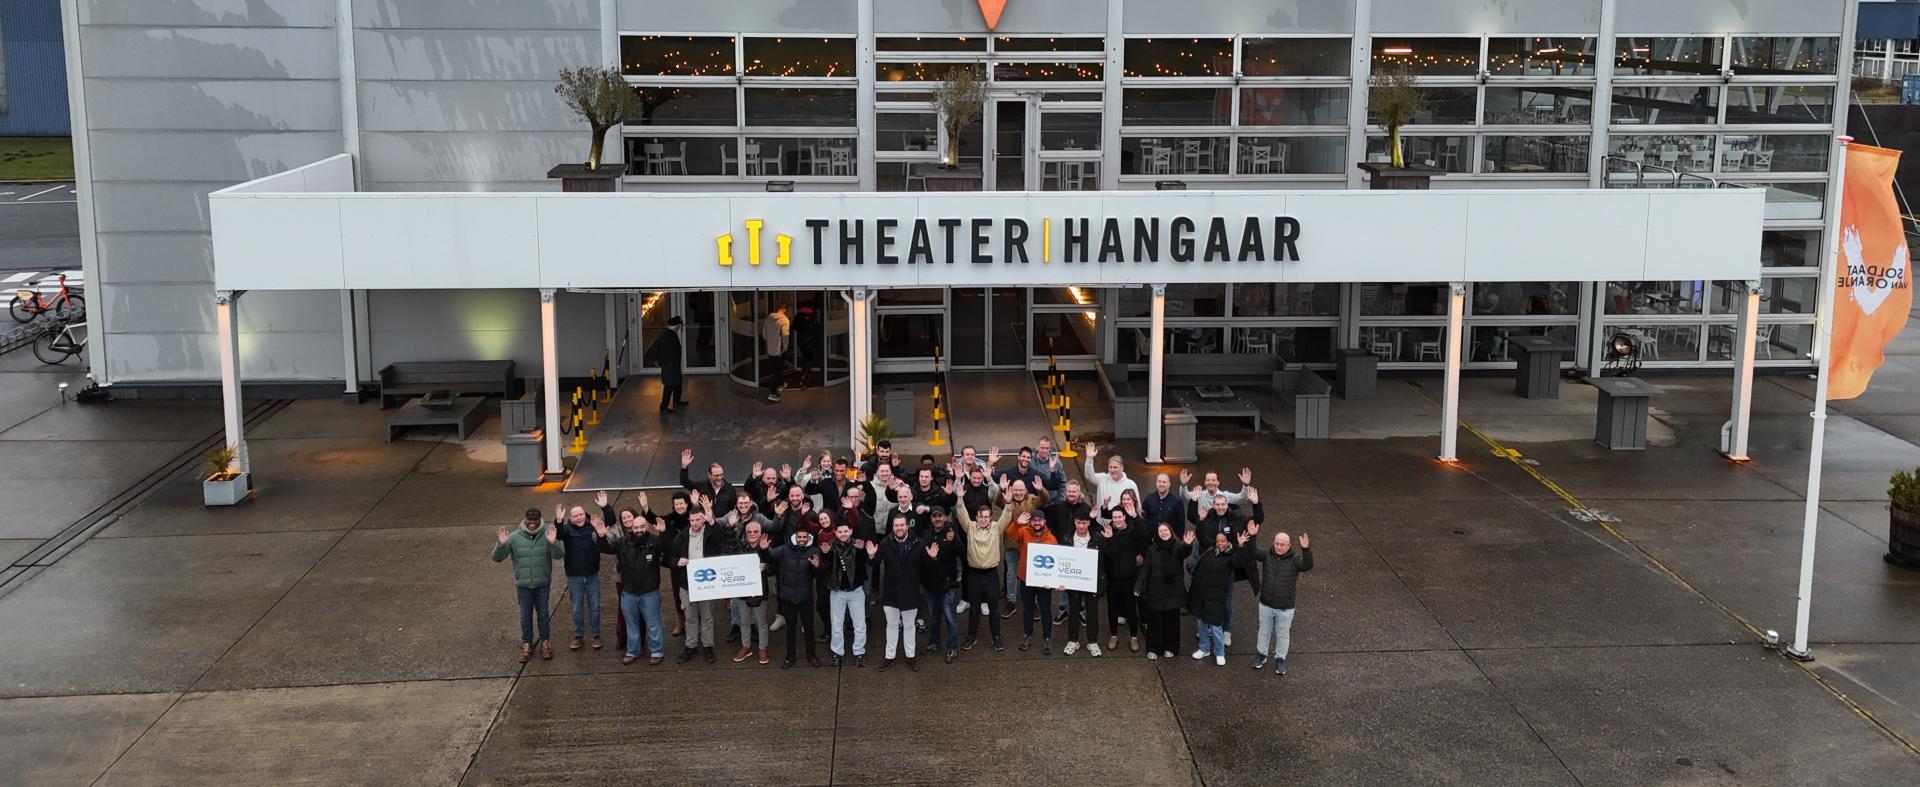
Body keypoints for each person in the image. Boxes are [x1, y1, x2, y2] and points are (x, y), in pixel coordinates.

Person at [593, 502, 669, 665]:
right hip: (628, 593)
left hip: (650, 593)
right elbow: (607, 548)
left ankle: (656, 651)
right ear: (631, 528)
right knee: (631, 625)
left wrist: (663, 533)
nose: (639, 530)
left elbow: (666, 548)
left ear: (646, 527)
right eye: (636, 527)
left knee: (653, 624)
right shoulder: (622, 543)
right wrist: (600, 535)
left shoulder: (654, 542)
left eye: (642, 527)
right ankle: (632, 651)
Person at [492, 508, 565, 662]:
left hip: (542, 583)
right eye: (529, 520)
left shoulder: (547, 534)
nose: (532, 523)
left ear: (540, 519)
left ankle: (545, 642)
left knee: (544, 614)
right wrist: (500, 544)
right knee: (525, 616)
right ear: (525, 519)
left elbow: (559, 555)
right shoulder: (513, 537)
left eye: (535, 520)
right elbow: (497, 558)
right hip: (523, 585)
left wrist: (553, 543)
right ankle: (527, 643)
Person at [1244, 524, 1313, 675]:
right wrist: (1253, 536)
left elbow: (1308, 565)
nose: (1279, 547)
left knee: (1282, 634)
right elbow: (1252, 551)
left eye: (1283, 544)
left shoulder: (1295, 560)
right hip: (1266, 604)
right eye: (1277, 543)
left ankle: (1280, 658)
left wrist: (1306, 550)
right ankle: (1261, 655)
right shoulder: (1267, 555)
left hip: (1285, 607)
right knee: (1264, 631)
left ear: (1289, 545)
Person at [870, 513, 932, 671]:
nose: (899, 528)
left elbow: (928, 567)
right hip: (891, 592)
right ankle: (889, 657)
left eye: (901, 525)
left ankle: (910, 657)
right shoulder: (885, 543)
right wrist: (872, 555)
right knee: (891, 625)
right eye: (896, 525)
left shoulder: (919, 543)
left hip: (911, 592)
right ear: (893, 527)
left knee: (909, 625)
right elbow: (876, 562)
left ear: (907, 526)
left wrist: (932, 558)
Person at [668, 508, 725, 664]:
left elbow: (722, 539)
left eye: (698, 520)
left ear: (704, 519)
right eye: (692, 520)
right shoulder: (682, 537)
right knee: (690, 617)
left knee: (707, 617)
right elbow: (670, 557)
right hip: (687, 584)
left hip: (707, 583)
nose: (694, 523)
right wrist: (676, 562)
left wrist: (712, 521)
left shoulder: (711, 532)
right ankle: (690, 646)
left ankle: (708, 646)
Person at [554, 497, 605, 652]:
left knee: (595, 606)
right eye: (575, 515)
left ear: (585, 514)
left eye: (581, 514)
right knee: (577, 607)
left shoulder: (593, 526)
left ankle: (596, 635)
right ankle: (579, 635)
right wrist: (558, 520)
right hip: (574, 576)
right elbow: (559, 533)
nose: (578, 517)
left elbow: (609, 521)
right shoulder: (567, 529)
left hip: (592, 574)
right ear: (570, 518)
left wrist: (605, 507)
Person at [1005, 510, 1059, 655]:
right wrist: (1017, 523)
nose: (1036, 523)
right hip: (1026, 578)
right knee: (1027, 609)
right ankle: (1028, 636)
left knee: (1046, 610)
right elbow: (1010, 533)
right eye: (1034, 520)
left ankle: (1047, 638)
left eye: (1039, 520)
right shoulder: (1024, 532)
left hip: (1044, 582)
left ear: (1044, 522)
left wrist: (1054, 581)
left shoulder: (1051, 539)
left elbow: (1055, 562)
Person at [768, 526, 823, 668]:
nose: (802, 540)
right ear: (795, 538)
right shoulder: (784, 549)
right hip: (788, 598)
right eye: (800, 537)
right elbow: (769, 557)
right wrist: (763, 549)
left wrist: (817, 567)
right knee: (790, 629)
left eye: (805, 537)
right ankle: (790, 656)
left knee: (809, 628)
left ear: (808, 539)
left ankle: (812, 655)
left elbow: (819, 577)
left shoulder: (814, 552)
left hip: (806, 598)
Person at [1135, 522, 1190, 660]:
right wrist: (1138, 586)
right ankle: (1154, 648)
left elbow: (1184, 553)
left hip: (1173, 591)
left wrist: (1188, 545)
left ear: (1171, 531)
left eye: (1165, 530)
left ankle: (1170, 647)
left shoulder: (1178, 547)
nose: (1163, 533)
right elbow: (1146, 569)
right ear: (1157, 534)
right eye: (1160, 531)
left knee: (1171, 622)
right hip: (1156, 591)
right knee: (1155, 622)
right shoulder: (1152, 549)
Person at [820, 521, 870, 667]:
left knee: (859, 624)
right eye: (840, 532)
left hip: (856, 591)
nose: (843, 534)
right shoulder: (830, 546)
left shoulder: (857, 544)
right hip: (837, 592)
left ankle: (859, 651)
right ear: (836, 533)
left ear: (850, 531)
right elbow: (826, 566)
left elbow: (864, 564)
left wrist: (862, 551)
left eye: (845, 531)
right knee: (836, 625)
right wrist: (825, 554)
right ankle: (837, 652)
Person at [919, 507, 964, 663]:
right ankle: (934, 643)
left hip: (948, 585)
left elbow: (962, 553)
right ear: (931, 518)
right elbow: (924, 558)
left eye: (940, 516)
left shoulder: (951, 533)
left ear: (945, 517)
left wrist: (955, 540)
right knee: (934, 618)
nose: (937, 519)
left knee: (950, 619)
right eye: (934, 516)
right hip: (931, 585)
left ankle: (952, 648)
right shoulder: (927, 534)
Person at [1187, 530, 1238, 666]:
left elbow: (1239, 562)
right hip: (1202, 594)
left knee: (1216, 626)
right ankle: (1204, 648)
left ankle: (1219, 652)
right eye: (1218, 541)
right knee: (1201, 623)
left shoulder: (1231, 557)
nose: (1220, 544)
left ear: (1228, 542)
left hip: (1217, 596)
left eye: (1223, 541)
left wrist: (1241, 546)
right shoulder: (1209, 553)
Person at [1100, 503, 1146, 653]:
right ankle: (1114, 635)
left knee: (1131, 608)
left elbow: (1144, 536)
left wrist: (1136, 517)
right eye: (1114, 517)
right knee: (1112, 608)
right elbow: (1109, 553)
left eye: (1120, 517)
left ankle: (1133, 637)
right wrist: (1109, 539)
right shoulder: (1108, 531)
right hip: (1113, 578)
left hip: (1129, 577)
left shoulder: (1132, 530)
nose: (1117, 520)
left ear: (1125, 517)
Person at [961, 504, 1007, 652]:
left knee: (994, 609)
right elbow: (961, 513)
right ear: (976, 517)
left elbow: (1006, 517)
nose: (983, 519)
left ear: (990, 517)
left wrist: (1009, 503)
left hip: (991, 575)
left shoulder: (996, 528)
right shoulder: (970, 527)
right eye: (981, 516)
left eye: (986, 516)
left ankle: (996, 637)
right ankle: (971, 636)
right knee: (974, 609)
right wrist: (960, 498)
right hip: (974, 575)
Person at [1060, 513, 1105, 657]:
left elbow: (1106, 557)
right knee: (1073, 611)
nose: (1081, 526)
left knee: (1092, 612)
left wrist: (1108, 540)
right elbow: (1062, 560)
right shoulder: (1067, 538)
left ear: (1088, 523)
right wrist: (1061, 581)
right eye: (1078, 523)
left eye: (1084, 523)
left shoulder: (1098, 538)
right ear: (1075, 522)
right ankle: (1073, 640)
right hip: (1074, 581)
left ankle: (1092, 642)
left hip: (1091, 581)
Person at [730, 520, 774, 665]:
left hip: (760, 592)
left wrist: (765, 564)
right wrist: (732, 526)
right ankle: (746, 646)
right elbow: (730, 550)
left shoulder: (766, 547)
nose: (753, 534)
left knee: (761, 622)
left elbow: (773, 569)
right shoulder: (741, 548)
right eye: (750, 531)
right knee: (744, 621)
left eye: (756, 531)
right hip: (743, 591)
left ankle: (763, 648)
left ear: (760, 533)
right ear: (746, 534)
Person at [1081, 443, 1139, 515]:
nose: (1112, 470)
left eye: (1115, 467)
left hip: (1122, 523)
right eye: (1110, 467)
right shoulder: (1102, 479)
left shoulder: (1131, 484)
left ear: (1122, 468)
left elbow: (1137, 506)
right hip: (1104, 523)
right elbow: (1089, 476)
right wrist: (1089, 459)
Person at [649, 315, 685, 412]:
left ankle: (677, 401)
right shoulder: (669, 336)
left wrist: (658, 360)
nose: (680, 328)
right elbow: (666, 353)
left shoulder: (668, 334)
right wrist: (659, 362)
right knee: (669, 385)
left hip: (673, 365)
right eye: (680, 326)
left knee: (677, 383)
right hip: (670, 366)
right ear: (677, 326)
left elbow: (656, 347)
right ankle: (663, 407)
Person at [1139, 472, 1185, 538]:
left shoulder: (1177, 501)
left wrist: (1177, 542)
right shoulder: (1148, 499)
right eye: (1159, 481)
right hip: (1152, 541)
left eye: (1164, 482)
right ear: (1156, 483)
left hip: (1170, 542)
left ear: (1169, 484)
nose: (1161, 484)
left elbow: (1180, 525)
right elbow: (1144, 520)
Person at [762, 301, 791, 402]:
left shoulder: (768, 319)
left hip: (770, 349)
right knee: (777, 371)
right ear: (785, 309)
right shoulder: (784, 321)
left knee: (776, 368)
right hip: (779, 350)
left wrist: (770, 342)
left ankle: (781, 384)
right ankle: (772, 393)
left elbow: (764, 334)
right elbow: (785, 336)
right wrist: (785, 348)